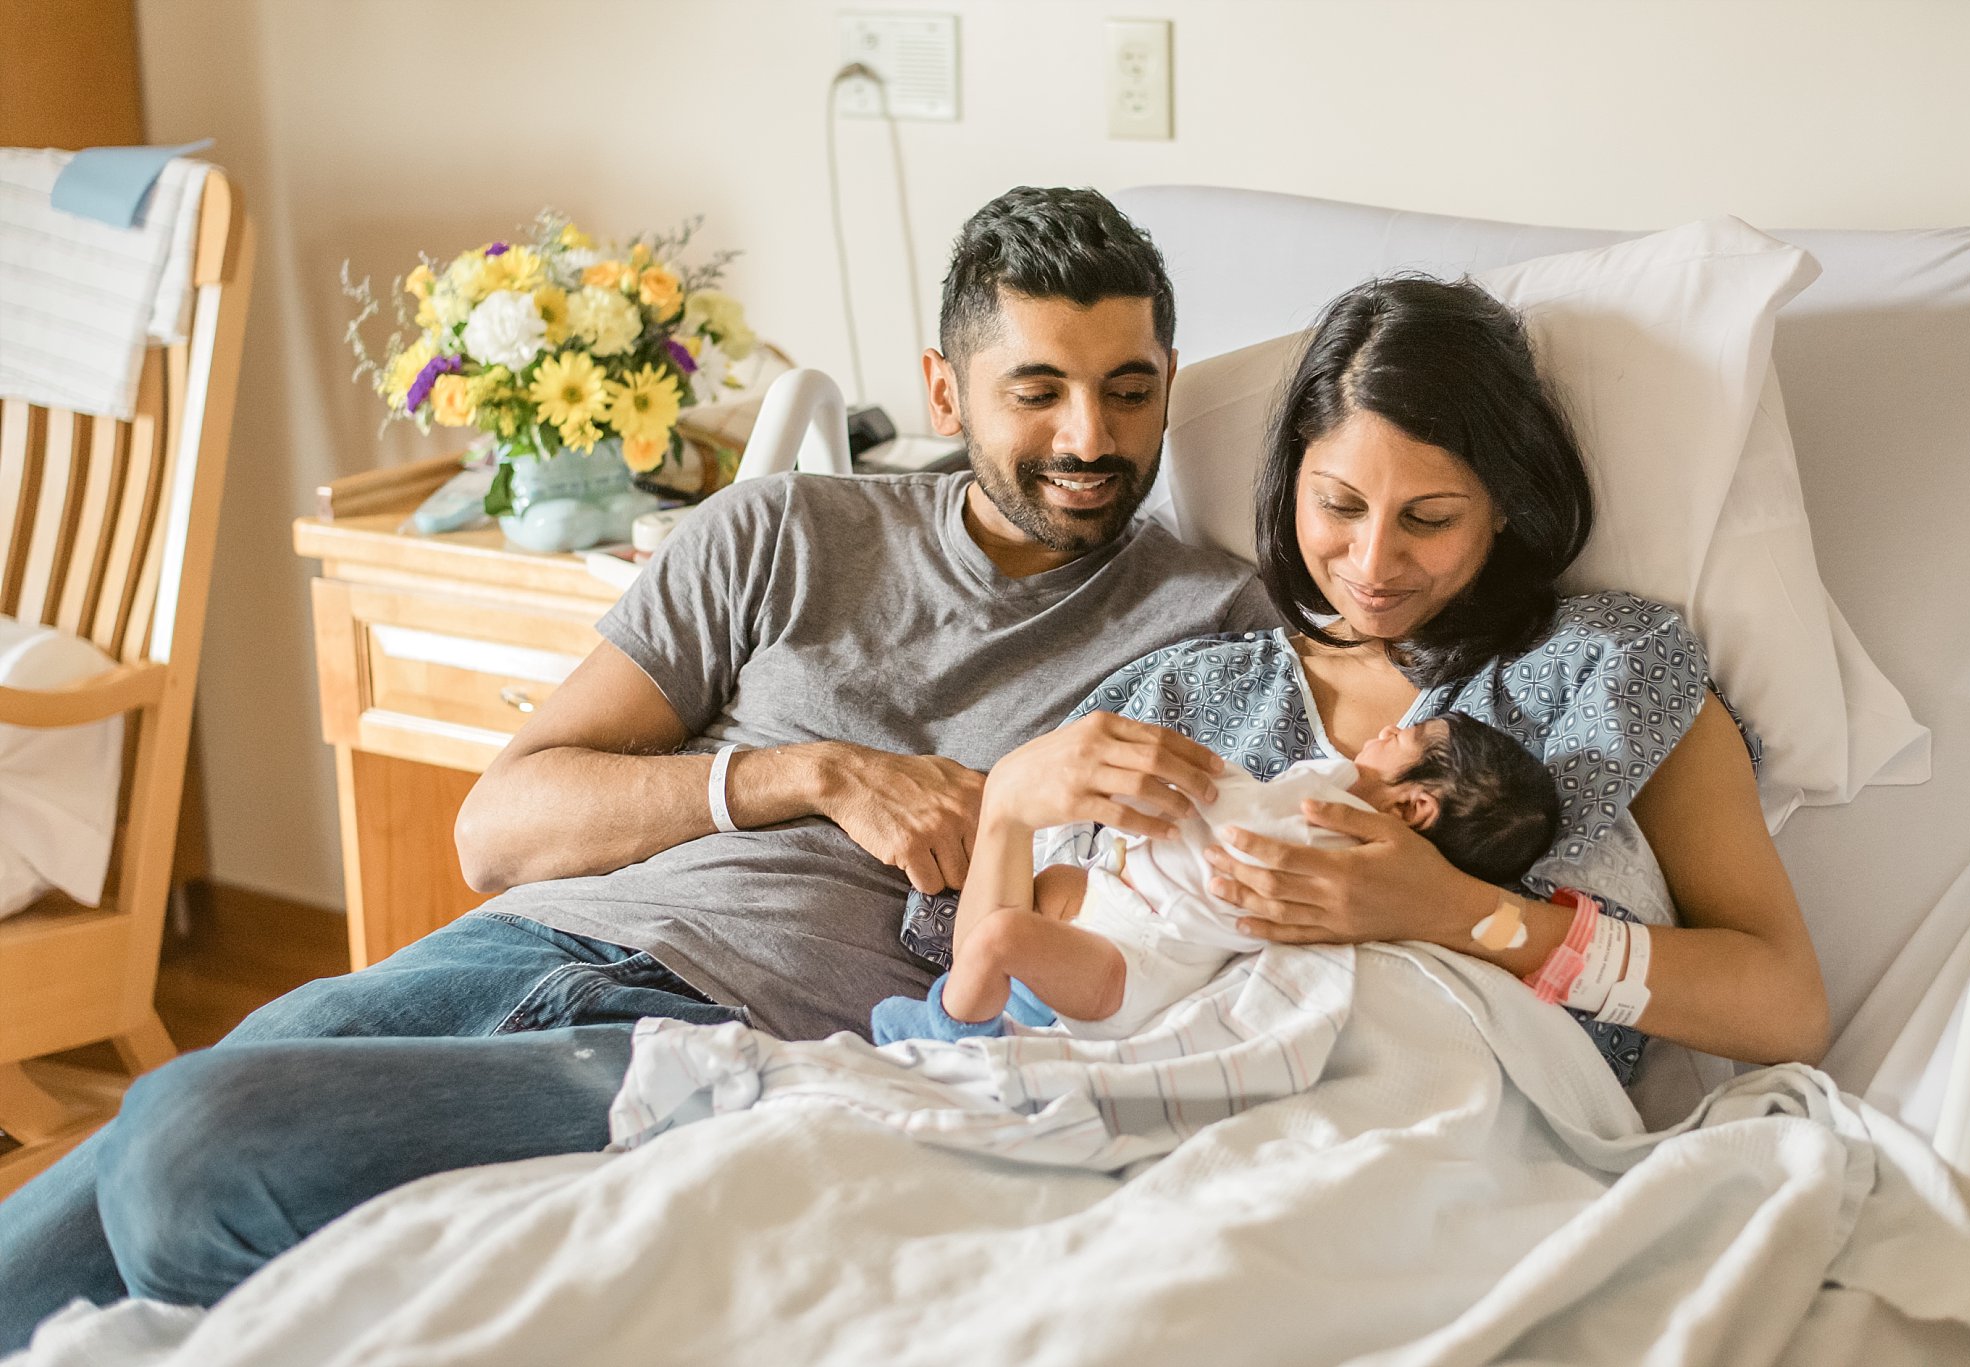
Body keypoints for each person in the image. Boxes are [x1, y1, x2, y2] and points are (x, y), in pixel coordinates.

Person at [0, 185, 1281, 1348]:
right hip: (506, 955)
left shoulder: (1215, 628)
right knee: (156, 1128)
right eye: (1038, 389)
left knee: (180, 1148)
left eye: (1129, 388)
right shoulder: (781, 530)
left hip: (721, 1046)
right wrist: (807, 772)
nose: (1090, 436)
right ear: (944, 394)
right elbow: (496, 828)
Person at [894, 273, 1828, 1085]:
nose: (1373, 562)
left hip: (1467, 1139)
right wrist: (1012, 801)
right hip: (1156, 1120)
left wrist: (1463, 913)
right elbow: (996, 1007)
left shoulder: (1606, 673)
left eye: (1429, 517)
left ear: (1504, 506)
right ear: (1290, 480)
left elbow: (1783, 1009)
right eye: (1338, 505)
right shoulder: (1182, 696)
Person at [873, 712, 1560, 1043]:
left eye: (1410, 734)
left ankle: (952, 1040)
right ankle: (1000, 1017)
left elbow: (1243, 824)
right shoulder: (1327, 794)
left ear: (1415, 804)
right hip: (1116, 909)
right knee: (1045, 892)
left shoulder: (1337, 827)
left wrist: (1198, 770)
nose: (1388, 729)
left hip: (1132, 963)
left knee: (997, 939)